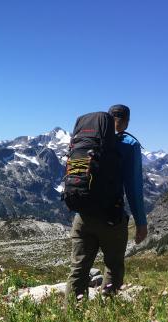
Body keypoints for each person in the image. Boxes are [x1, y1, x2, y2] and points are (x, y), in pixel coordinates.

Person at [65, 104, 148, 300]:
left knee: (78, 268)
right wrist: (141, 223)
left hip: (83, 215)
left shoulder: (87, 140)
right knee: (113, 265)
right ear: (126, 121)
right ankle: (108, 311)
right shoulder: (129, 144)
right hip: (111, 217)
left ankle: (71, 318)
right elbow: (134, 187)